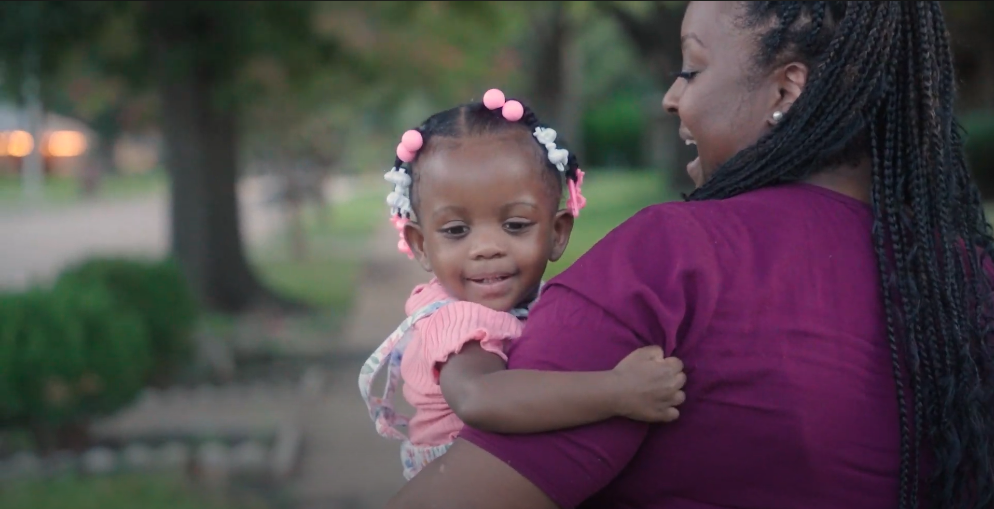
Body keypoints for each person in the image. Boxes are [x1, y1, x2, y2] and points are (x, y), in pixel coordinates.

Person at [386, 2, 994, 509]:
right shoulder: (966, 279)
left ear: (787, 88)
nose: (671, 99)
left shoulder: (672, 261)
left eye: (692, 69)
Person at [359, 88, 688, 481]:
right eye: (456, 230)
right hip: (467, 488)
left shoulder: (531, 302)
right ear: (421, 245)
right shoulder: (460, 321)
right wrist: (618, 391)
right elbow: (479, 398)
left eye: (515, 225)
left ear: (558, 232)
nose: (486, 249)